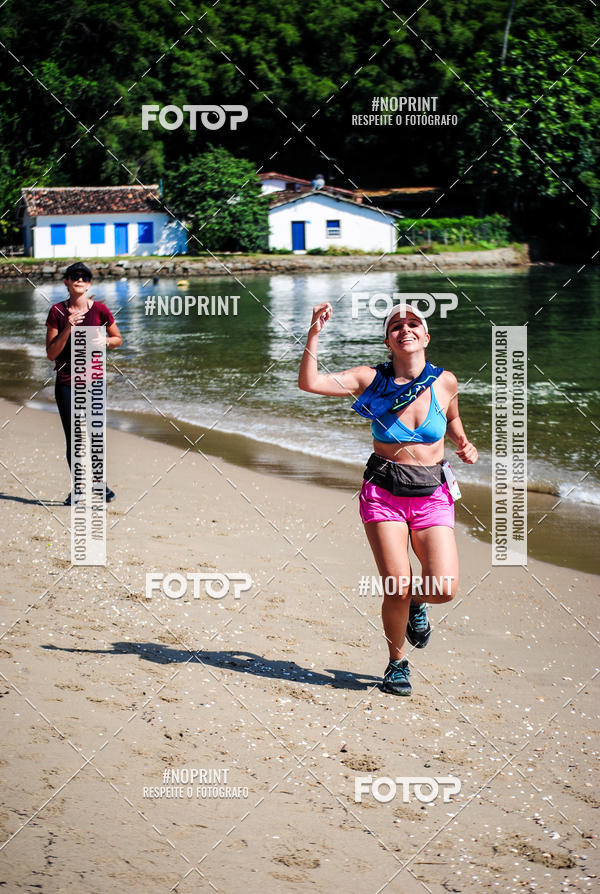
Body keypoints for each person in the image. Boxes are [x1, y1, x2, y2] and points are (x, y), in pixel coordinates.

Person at [298, 302, 478, 696]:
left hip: (433, 493)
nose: (406, 329)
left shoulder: (445, 382)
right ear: (388, 340)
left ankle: (417, 602)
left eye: (414, 323)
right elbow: (309, 383)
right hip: (384, 493)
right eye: (396, 326)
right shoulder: (369, 379)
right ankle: (397, 663)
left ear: (426, 336)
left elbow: (450, 417)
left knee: (444, 588)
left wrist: (462, 440)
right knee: (395, 585)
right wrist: (314, 332)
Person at [45, 261, 122, 504]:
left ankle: (99, 483)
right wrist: (68, 327)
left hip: (95, 382)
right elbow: (51, 353)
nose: (80, 279)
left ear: (89, 283)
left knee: (95, 436)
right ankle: (78, 488)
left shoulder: (100, 310)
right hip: (67, 383)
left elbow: (118, 338)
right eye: (74, 276)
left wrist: (106, 342)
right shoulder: (57, 311)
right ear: (66, 282)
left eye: (84, 277)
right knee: (74, 437)